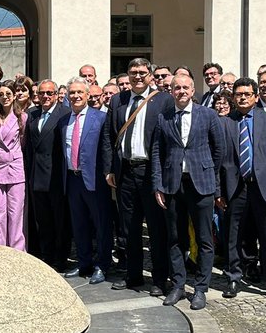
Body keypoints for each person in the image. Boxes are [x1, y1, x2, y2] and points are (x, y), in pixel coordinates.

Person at [151, 73, 223, 310]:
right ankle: (179, 285)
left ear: (193, 91)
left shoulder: (208, 115)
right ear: (171, 91)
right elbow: (157, 153)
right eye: (177, 88)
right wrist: (158, 185)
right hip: (173, 184)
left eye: (185, 87)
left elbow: (218, 150)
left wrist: (211, 180)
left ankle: (201, 288)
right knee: (175, 239)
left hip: (201, 184)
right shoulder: (164, 117)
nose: (181, 91)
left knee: (204, 239)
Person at [105, 58, 174, 295]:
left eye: (142, 72)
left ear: (150, 75)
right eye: (133, 72)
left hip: (151, 173)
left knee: (156, 229)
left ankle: (158, 279)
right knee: (129, 228)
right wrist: (110, 169)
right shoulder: (117, 100)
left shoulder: (163, 100)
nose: (137, 76)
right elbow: (109, 136)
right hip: (125, 172)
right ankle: (132, 275)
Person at [221, 77, 266, 302]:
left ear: (255, 96)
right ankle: (233, 277)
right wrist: (217, 192)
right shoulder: (225, 122)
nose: (242, 98)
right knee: (233, 236)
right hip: (235, 187)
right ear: (233, 97)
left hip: (265, 187)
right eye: (238, 94)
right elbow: (217, 160)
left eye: (247, 94)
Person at [61, 79, 112, 284]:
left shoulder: (100, 118)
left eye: (80, 92)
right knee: (79, 224)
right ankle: (84, 262)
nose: (76, 96)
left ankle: (102, 264)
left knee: (101, 224)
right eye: (72, 92)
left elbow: (106, 148)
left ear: (88, 94)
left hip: (94, 179)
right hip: (72, 179)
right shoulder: (64, 121)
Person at [25, 79, 69, 270]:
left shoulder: (65, 114)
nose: (45, 96)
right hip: (36, 175)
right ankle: (46, 255)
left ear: (57, 94)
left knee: (60, 221)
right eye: (42, 93)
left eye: (49, 93)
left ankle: (60, 258)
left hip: (56, 176)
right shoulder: (31, 114)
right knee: (42, 220)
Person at [0, 80, 28, 250]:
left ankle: (17, 250)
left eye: (8, 94)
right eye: (1, 94)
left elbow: (22, 141)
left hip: (15, 166)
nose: (4, 97)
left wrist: (13, 156)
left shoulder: (22, 117)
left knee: (16, 211)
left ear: (14, 95)